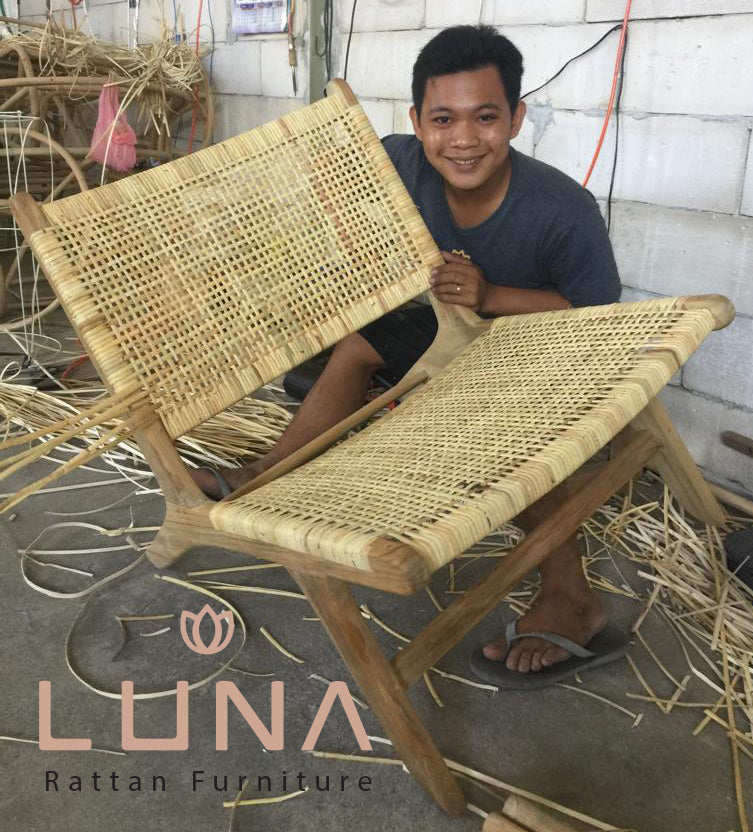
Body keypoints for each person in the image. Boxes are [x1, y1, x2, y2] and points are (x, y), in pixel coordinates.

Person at [192, 25, 622, 681]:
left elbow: (599, 321)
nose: (463, 139)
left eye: (485, 117)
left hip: (537, 361)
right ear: (417, 121)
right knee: (362, 343)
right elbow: (325, 173)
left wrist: (492, 294)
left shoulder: (562, 210)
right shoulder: (400, 162)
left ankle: (571, 597)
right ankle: (265, 475)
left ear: (516, 118)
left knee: (506, 434)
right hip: (448, 341)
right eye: (442, 119)